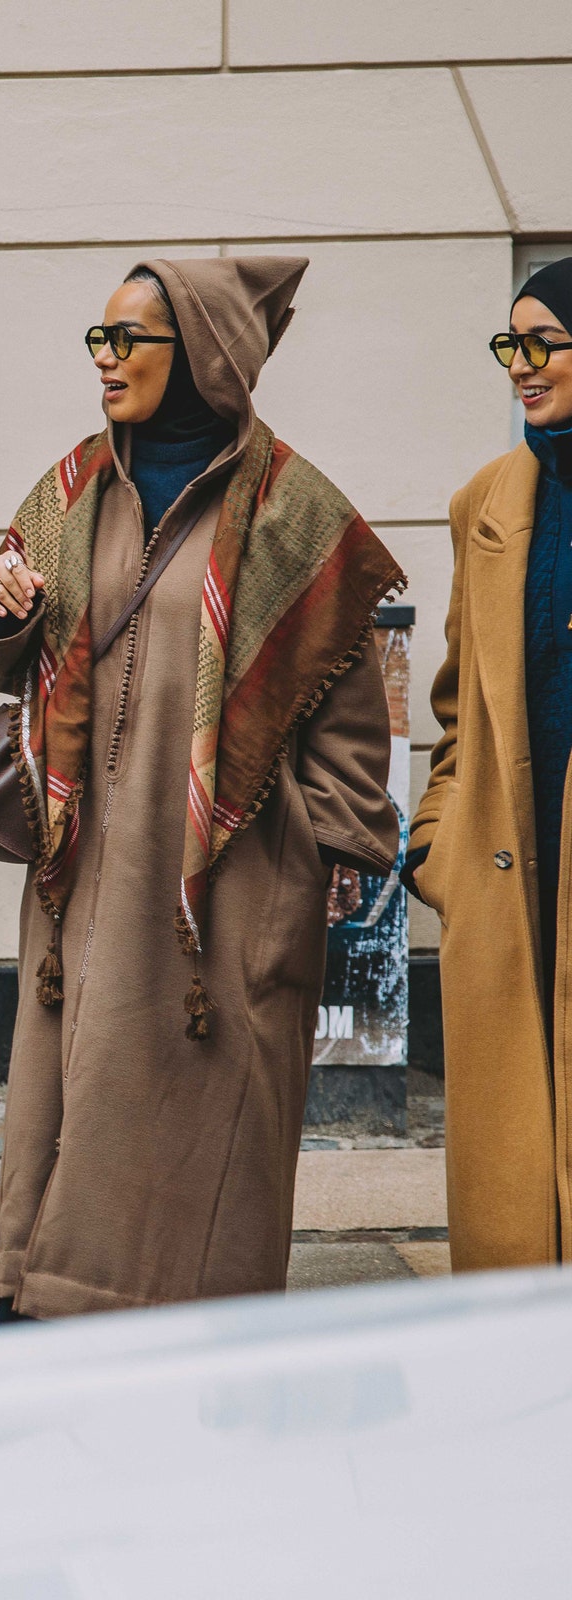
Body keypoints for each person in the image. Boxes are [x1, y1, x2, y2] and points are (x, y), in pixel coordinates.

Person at [0, 258, 402, 1321]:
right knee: (74, 1092)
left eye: (126, 342)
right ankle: (45, 1293)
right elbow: (4, 658)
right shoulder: (70, 491)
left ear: (200, 356)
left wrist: (311, 859)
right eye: (95, 341)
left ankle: (198, 1347)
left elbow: (351, 727)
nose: (102, 362)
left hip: (225, 883)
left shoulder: (296, 514)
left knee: (203, 1130)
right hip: (85, 858)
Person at [406, 257, 572, 1270]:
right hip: (511, 884)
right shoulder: (488, 502)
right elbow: (456, 708)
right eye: (509, 345)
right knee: (517, 1221)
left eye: (541, 342)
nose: (519, 364)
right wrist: (437, 851)